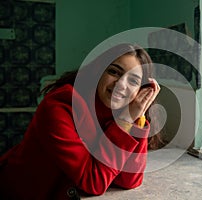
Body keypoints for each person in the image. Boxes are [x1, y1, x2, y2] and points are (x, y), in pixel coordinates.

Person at [0, 43, 161, 199]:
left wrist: (135, 118)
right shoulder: (58, 107)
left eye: (133, 81)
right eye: (114, 72)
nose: (120, 84)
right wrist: (125, 120)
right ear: (99, 71)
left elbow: (129, 180)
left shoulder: (122, 114)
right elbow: (93, 182)